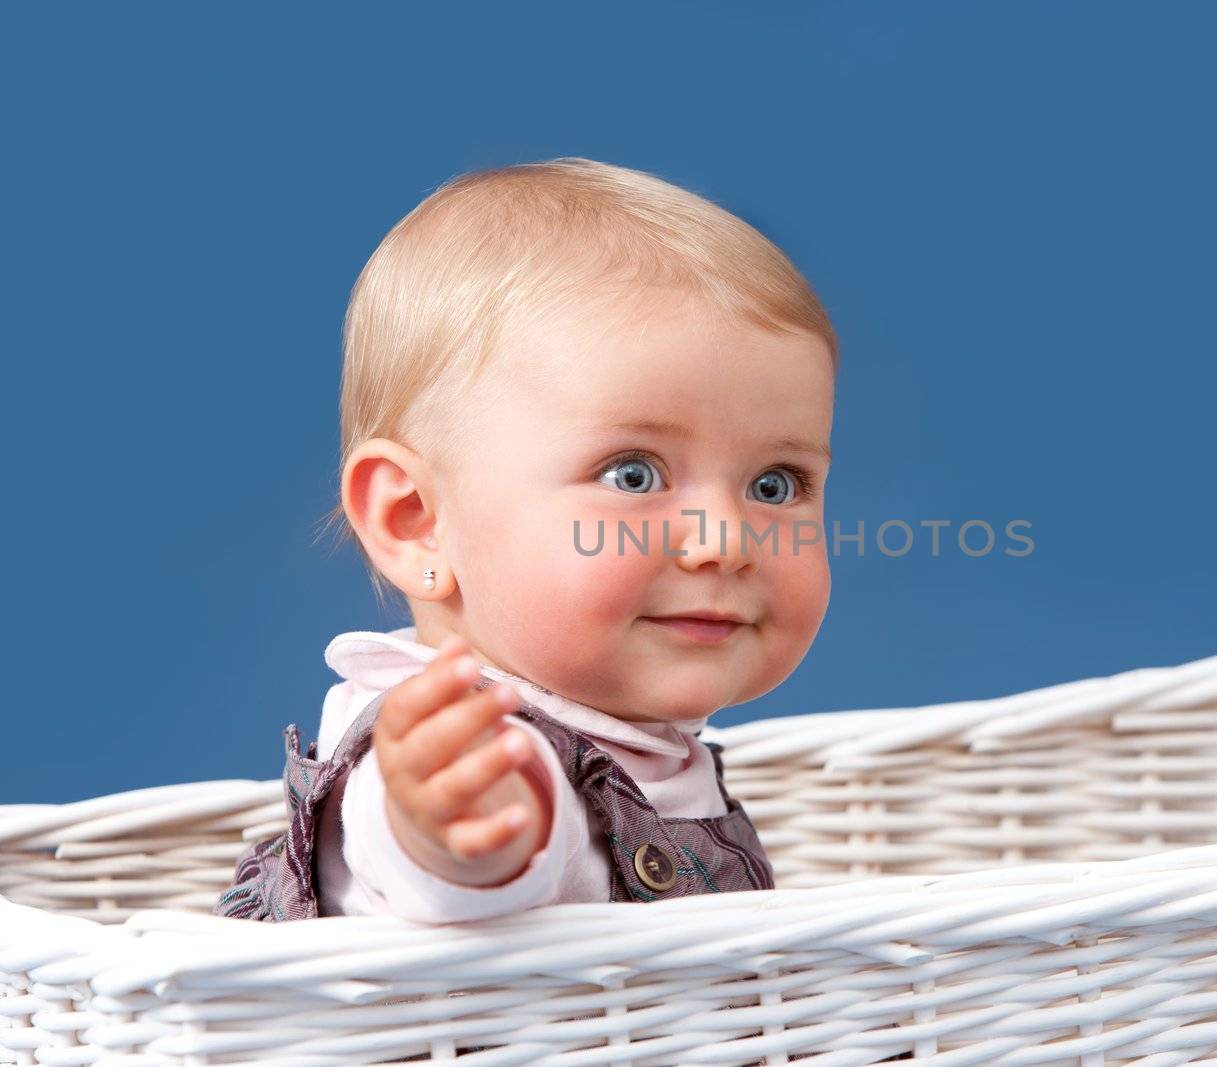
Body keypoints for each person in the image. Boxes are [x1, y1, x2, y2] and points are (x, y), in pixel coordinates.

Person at [215, 158, 836, 922]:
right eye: (632, 474)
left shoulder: (632, 743)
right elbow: (440, 851)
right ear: (416, 521)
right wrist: (450, 827)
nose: (725, 540)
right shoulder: (479, 744)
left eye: (775, 484)